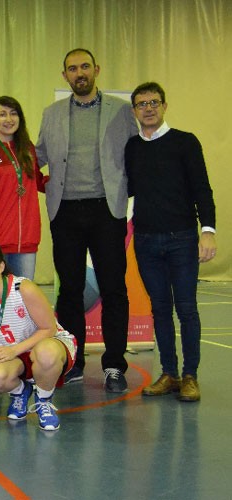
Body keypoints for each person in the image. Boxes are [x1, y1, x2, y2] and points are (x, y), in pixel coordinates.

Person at [35, 48, 137, 392]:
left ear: (96, 69)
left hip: (106, 211)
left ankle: (113, 365)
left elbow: (137, 154)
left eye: (84, 67)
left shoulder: (121, 112)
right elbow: (37, 155)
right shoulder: (51, 114)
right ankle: (73, 360)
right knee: (69, 291)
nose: (79, 73)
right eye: (71, 69)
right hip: (65, 212)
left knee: (113, 289)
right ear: (64, 75)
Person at [125, 82, 217, 402]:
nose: (148, 108)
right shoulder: (132, 148)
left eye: (154, 102)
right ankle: (169, 373)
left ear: (164, 106)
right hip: (146, 242)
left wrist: (208, 231)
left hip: (182, 240)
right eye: (141, 104)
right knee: (160, 310)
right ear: (134, 110)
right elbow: (125, 191)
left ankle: (190, 376)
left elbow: (202, 190)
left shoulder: (185, 143)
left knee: (187, 309)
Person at [0, 241, 76, 431]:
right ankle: (20, 391)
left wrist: (14, 349)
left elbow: (48, 328)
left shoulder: (22, 288)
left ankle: (44, 401)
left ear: (1, 266)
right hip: (15, 354)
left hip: (48, 344)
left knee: (46, 353)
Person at [0, 96, 47, 280]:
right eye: (2, 114)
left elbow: (38, 181)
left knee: (23, 298)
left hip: (27, 241)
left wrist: (68, 180)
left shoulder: (28, 148)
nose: (9, 119)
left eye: (13, 114)